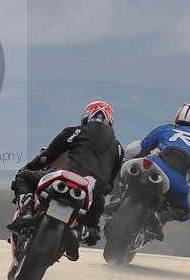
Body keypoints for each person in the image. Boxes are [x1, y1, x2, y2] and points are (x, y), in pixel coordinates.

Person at [9, 100, 124, 248]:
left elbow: (46, 156)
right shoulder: (119, 149)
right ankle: (80, 232)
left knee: (23, 177)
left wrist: (28, 168)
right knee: (93, 231)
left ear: (87, 116)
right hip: (95, 192)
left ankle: (26, 213)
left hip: (70, 177)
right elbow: (110, 184)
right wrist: (98, 193)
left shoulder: (76, 131)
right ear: (110, 120)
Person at [120, 103, 190, 241]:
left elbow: (138, 149)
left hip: (153, 163)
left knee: (123, 169)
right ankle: (159, 216)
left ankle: (116, 198)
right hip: (176, 178)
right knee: (184, 212)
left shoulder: (165, 128)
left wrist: (128, 158)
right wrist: (188, 187)